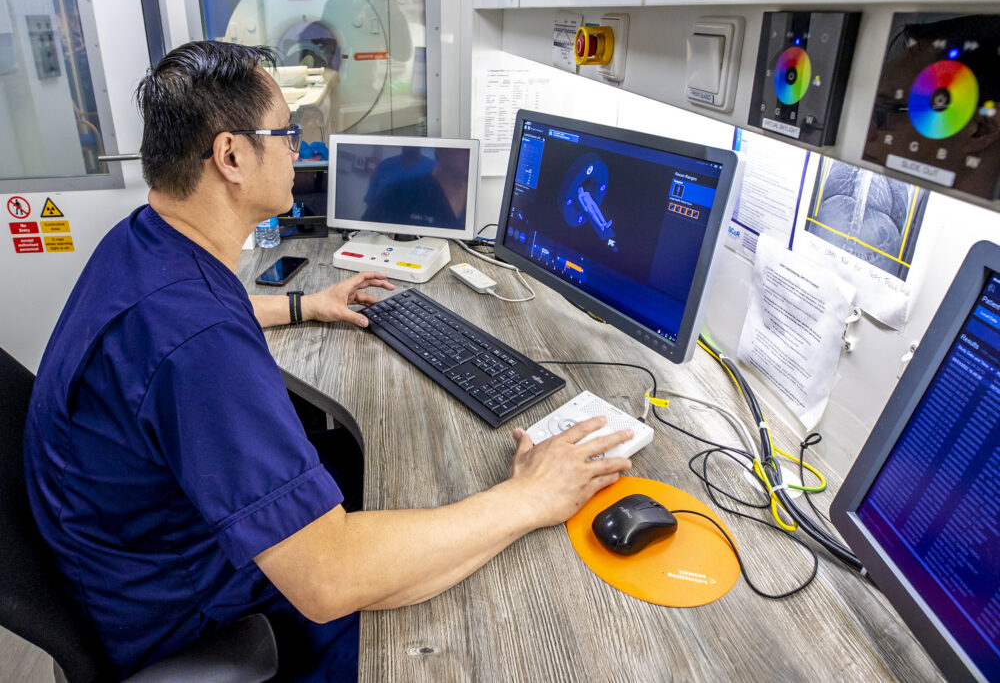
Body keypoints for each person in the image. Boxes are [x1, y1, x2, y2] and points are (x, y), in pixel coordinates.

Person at [23, 41, 633, 682]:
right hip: (190, 614)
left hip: (128, 556)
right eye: (287, 132)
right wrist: (530, 497)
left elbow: (187, 322)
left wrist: (303, 306)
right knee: (477, 626)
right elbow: (328, 580)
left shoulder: (145, 241)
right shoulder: (197, 345)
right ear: (231, 156)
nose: (297, 147)